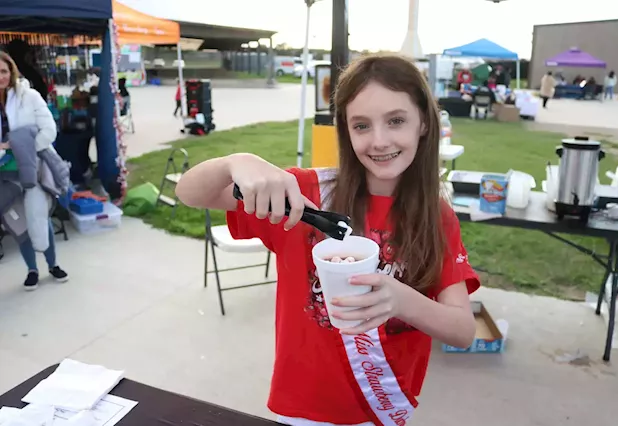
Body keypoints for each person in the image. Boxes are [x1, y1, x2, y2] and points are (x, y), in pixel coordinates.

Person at [175, 54, 480, 425]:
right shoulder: (305, 195)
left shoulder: (436, 215)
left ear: (423, 125)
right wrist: (234, 163)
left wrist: (400, 299)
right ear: (345, 131)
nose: (379, 140)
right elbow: (191, 194)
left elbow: (463, 331)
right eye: (361, 125)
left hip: (384, 405)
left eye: (396, 121)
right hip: (302, 408)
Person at [0, 52, 68, 290]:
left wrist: (24, 149)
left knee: (39, 218)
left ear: (12, 72)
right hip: (5, 176)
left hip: (33, 170)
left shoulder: (29, 97)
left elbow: (49, 130)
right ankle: (32, 269)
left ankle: (53, 264)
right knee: (18, 224)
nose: (1, 77)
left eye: (4, 71)